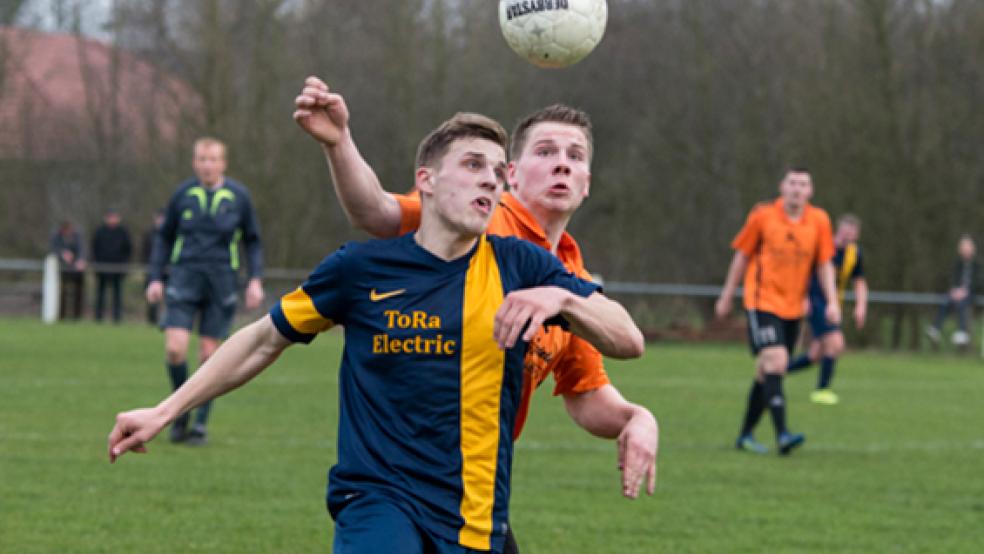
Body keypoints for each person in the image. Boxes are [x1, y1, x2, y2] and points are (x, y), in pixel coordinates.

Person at [109, 112, 644, 554]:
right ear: (426, 181)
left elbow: (628, 340)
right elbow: (261, 339)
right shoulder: (360, 270)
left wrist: (564, 298)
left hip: (476, 513)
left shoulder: (523, 264)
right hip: (378, 502)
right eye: (472, 165)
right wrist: (165, 409)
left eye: (496, 172)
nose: (489, 179)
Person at [291, 78, 659, 518]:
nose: (562, 165)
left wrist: (635, 417)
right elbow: (376, 212)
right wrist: (339, 143)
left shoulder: (570, 281)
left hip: (475, 483)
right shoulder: (474, 218)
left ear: (587, 183)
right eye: (545, 152)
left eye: (574, 157)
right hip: (402, 473)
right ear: (511, 175)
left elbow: (585, 393)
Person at [146, 138, 265, 446]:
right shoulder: (183, 195)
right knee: (175, 349)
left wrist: (255, 279)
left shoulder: (239, 197)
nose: (207, 165)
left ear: (223, 163)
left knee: (209, 355)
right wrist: (155, 278)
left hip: (221, 280)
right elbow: (163, 237)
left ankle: (199, 424)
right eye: (201, 159)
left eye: (212, 159)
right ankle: (179, 412)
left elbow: (252, 241)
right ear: (194, 162)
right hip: (184, 276)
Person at [715, 168, 840, 455]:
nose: (797, 188)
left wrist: (832, 301)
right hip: (762, 302)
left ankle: (745, 435)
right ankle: (783, 434)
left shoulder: (819, 221)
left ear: (810, 191)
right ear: (782, 186)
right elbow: (742, 256)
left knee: (766, 372)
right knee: (778, 360)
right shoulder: (763, 215)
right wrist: (726, 295)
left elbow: (823, 265)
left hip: (794, 307)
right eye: (792, 182)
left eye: (803, 184)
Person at [786, 214, 868, 405]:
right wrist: (803, 297)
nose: (848, 235)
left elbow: (859, 282)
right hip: (815, 300)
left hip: (832, 303)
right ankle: (822, 390)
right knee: (836, 343)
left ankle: (776, 372)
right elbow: (803, 272)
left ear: (857, 235)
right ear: (838, 230)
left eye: (852, 232)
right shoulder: (822, 247)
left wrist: (861, 306)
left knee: (816, 354)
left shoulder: (854, 254)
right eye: (845, 231)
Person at [925, 234, 979, 348]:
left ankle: (962, 332)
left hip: (971, 293)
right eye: (963, 248)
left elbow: (979, 282)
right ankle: (935, 328)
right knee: (945, 301)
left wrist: (965, 291)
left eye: (968, 247)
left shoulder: (978, 264)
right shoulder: (957, 264)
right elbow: (953, 279)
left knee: (961, 304)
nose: (966, 250)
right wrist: (955, 290)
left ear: (972, 249)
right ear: (960, 250)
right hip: (957, 292)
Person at [91, 208, 133, 323]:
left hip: (118, 268)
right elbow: (95, 248)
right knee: (100, 293)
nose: (112, 220)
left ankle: (117, 317)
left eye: (114, 217)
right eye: (110, 217)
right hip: (102, 268)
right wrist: (97, 264)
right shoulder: (100, 231)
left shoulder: (123, 232)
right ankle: (98, 317)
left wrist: (124, 265)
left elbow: (128, 249)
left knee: (117, 294)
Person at [49, 220, 87, 320]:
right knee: (62, 293)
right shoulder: (56, 236)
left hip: (77, 270)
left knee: (78, 293)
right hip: (62, 269)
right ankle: (61, 316)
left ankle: (77, 317)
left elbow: (82, 249)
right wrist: (62, 254)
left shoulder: (78, 236)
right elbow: (52, 249)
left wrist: (81, 260)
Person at [141, 209, 167, 325]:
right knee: (152, 297)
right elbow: (144, 251)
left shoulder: (171, 234)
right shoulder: (149, 234)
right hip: (152, 270)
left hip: (167, 271)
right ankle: (151, 320)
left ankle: (167, 320)